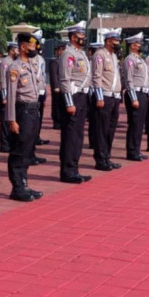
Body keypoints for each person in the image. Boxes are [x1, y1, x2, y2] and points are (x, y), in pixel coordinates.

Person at [5, 31, 45, 201]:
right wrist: (12, 120)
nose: (33, 48)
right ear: (22, 47)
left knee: (28, 149)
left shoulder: (31, 65)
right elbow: (11, 96)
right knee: (19, 150)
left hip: (33, 110)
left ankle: (24, 183)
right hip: (22, 111)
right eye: (30, 45)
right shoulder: (15, 68)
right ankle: (17, 187)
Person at [58, 22, 92, 183]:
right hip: (73, 96)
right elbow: (65, 79)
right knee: (70, 136)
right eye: (80, 36)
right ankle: (67, 171)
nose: (83, 38)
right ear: (73, 37)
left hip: (82, 97)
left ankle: (74, 168)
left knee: (78, 135)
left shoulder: (81, 53)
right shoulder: (68, 54)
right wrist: (69, 103)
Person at [90, 29, 123, 171]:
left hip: (114, 97)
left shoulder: (114, 56)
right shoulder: (100, 54)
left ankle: (107, 156)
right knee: (101, 130)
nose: (118, 43)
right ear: (109, 41)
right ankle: (100, 159)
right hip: (104, 96)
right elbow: (96, 76)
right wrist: (99, 96)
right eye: (116, 41)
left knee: (110, 129)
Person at [123, 32, 149, 161]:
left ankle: (137, 149)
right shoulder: (130, 59)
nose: (141, 45)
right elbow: (129, 80)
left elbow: (146, 78)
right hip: (135, 94)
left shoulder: (140, 59)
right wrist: (133, 98)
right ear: (133, 45)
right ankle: (132, 151)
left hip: (143, 93)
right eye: (139, 43)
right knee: (134, 124)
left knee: (140, 124)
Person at [0, 41, 19, 153]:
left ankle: (9, 142)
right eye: (16, 49)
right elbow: (3, 81)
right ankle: (4, 144)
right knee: (5, 122)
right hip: (5, 94)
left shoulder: (15, 62)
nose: (18, 52)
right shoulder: (5, 62)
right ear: (11, 50)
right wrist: (5, 97)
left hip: (12, 94)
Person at [49, 41, 66, 130]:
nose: (63, 51)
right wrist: (56, 86)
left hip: (64, 87)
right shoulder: (54, 61)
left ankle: (61, 121)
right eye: (62, 50)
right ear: (58, 51)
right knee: (56, 105)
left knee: (62, 105)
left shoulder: (64, 61)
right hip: (57, 87)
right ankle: (57, 122)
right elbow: (54, 75)